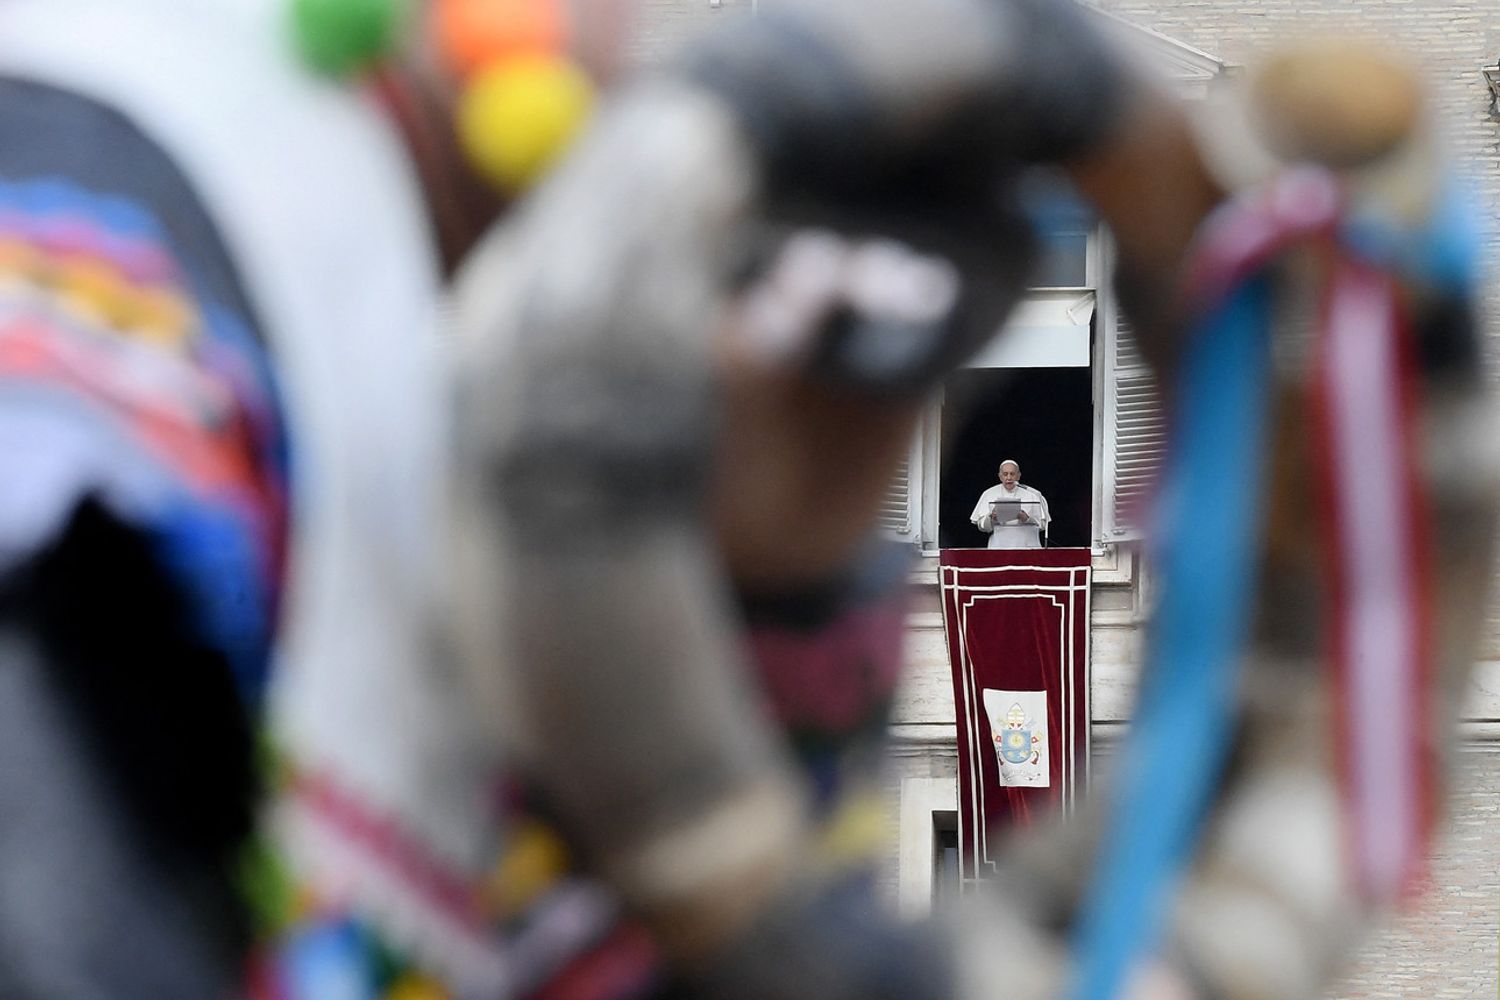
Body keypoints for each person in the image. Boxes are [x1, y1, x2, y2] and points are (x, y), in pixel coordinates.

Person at [970, 459, 1052, 548]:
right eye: (1005, 474)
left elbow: (1043, 525)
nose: (1009, 478)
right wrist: (991, 518)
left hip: (1028, 547)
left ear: (1018, 476)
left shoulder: (1033, 494)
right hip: (999, 547)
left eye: (1012, 474)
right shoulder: (989, 493)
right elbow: (981, 526)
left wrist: (1027, 519)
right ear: (1000, 476)